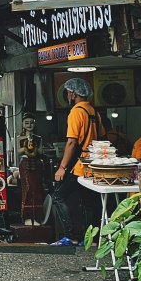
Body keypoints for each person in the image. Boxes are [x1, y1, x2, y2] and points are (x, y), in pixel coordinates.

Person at [51, 77, 105, 247]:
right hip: (93, 164)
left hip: (79, 165)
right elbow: (102, 137)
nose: (67, 95)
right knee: (89, 201)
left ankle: (70, 236)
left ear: (73, 94)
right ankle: (91, 239)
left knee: (58, 196)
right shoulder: (93, 111)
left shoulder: (76, 111)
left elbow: (72, 142)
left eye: (68, 92)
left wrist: (61, 167)